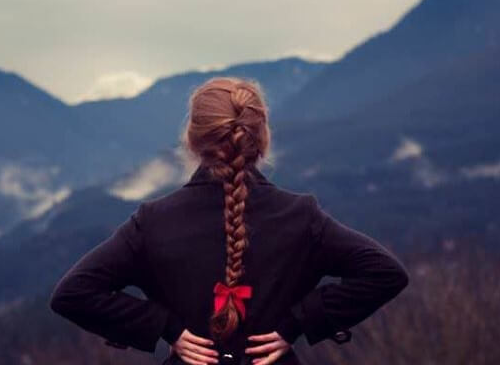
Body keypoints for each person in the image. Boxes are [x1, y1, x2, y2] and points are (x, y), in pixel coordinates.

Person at [48, 76, 409, 365]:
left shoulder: (154, 222)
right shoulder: (300, 217)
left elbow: (73, 293)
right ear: (261, 139)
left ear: (192, 140)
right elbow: (385, 273)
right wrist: (295, 325)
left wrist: (167, 329)